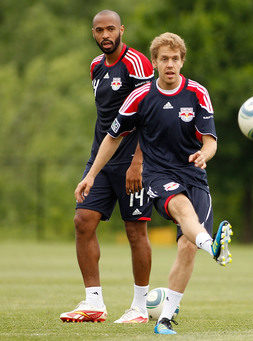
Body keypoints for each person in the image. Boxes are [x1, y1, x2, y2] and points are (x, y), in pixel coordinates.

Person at [74, 31, 233, 335]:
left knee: (187, 247)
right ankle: (212, 248)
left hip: (195, 176)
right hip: (159, 176)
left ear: (182, 61)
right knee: (183, 210)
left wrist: (204, 154)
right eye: (164, 59)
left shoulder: (197, 93)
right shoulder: (142, 95)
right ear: (156, 63)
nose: (170, 64)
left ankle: (165, 319)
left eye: (175, 59)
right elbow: (112, 137)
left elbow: (211, 141)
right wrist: (91, 175)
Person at [60, 10, 155, 324]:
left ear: (121, 30)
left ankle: (140, 308)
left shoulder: (137, 63)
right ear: (93, 33)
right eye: (99, 30)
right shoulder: (95, 67)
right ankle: (94, 303)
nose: (105, 35)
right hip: (101, 158)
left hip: (135, 160)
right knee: (83, 220)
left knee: (135, 231)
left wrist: (139, 161)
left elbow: (148, 114)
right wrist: (91, 170)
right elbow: (105, 119)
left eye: (110, 29)